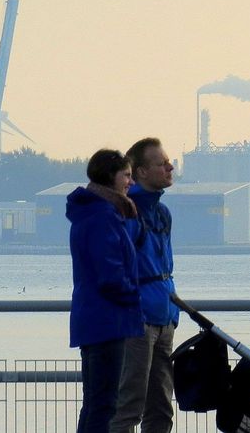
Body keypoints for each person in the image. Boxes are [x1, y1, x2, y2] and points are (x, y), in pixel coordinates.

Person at [68, 149, 144, 433]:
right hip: (108, 321)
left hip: (92, 319)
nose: (130, 183)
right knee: (105, 404)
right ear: (110, 177)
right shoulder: (104, 217)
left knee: (95, 402)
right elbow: (110, 274)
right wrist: (134, 296)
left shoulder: (90, 213)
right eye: (126, 175)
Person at [111, 138, 178, 433]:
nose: (169, 167)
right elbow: (119, 265)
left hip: (164, 317)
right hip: (139, 320)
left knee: (161, 407)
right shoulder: (129, 211)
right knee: (130, 405)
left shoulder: (162, 213)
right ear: (140, 172)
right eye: (161, 163)